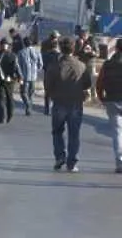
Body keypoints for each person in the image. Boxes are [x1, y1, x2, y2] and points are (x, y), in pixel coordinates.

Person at [45, 37, 92, 172]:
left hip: (59, 102)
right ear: (74, 48)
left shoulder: (54, 66)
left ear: (60, 48)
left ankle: (60, 156)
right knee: (74, 134)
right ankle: (72, 162)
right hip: (76, 104)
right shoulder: (81, 65)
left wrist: (52, 95)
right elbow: (87, 83)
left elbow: (48, 85)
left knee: (57, 132)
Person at [95, 38, 122, 174]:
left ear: (116, 49)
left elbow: (99, 83)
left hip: (111, 100)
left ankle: (120, 162)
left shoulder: (107, 64)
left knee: (117, 132)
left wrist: (102, 98)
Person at [0, 38, 23, 123]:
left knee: (0, 98)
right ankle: (9, 116)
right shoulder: (13, 55)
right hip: (10, 80)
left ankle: (2, 117)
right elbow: (17, 67)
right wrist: (20, 77)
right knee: (9, 97)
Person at [18, 36, 43, 116]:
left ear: (24, 43)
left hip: (24, 75)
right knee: (31, 93)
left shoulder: (21, 52)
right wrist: (36, 69)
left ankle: (28, 105)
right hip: (34, 75)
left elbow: (18, 65)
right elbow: (40, 64)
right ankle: (29, 108)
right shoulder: (37, 51)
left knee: (23, 92)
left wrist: (19, 75)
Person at [42, 38, 61, 116]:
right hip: (57, 75)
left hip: (47, 74)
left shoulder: (44, 54)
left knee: (47, 93)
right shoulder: (59, 55)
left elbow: (42, 65)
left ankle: (47, 109)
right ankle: (55, 108)